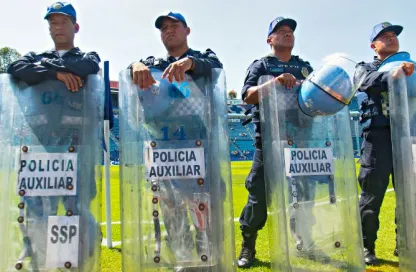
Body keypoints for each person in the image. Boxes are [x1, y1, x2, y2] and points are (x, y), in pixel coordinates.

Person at [7, 1, 109, 268]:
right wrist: (56, 73)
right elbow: (15, 69)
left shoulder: (87, 57)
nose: (57, 27)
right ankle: (37, 254)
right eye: (52, 22)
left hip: (77, 149)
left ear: (75, 26)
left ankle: (80, 257)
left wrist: (54, 72)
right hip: (40, 149)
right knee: (36, 210)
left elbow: (88, 69)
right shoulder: (35, 56)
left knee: (78, 209)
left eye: (63, 21)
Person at [129, 12, 223, 272]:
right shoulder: (153, 64)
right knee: (172, 210)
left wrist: (189, 62)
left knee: (204, 210)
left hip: (199, 148)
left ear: (187, 30)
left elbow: (215, 66)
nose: (168, 31)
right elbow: (133, 73)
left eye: (174, 26)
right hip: (165, 150)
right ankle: (182, 260)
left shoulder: (203, 58)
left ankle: (208, 260)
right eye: (164, 28)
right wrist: (135, 66)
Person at [354, 22, 416, 265]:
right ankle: (367, 246)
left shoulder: (414, 67)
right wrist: (393, 73)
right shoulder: (365, 67)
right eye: (385, 36)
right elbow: (367, 82)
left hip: (409, 137)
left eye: (394, 35)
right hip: (378, 138)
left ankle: (406, 244)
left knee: (413, 195)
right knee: (372, 196)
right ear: (374, 45)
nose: (392, 38)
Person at [237, 16, 315, 268]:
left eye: (290, 30)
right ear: (270, 39)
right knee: (258, 196)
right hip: (270, 143)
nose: (287, 33)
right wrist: (274, 82)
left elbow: (319, 97)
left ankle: (305, 239)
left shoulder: (304, 67)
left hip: (301, 142)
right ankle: (248, 247)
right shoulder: (261, 66)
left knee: (304, 195)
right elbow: (247, 97)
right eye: (281, 31)